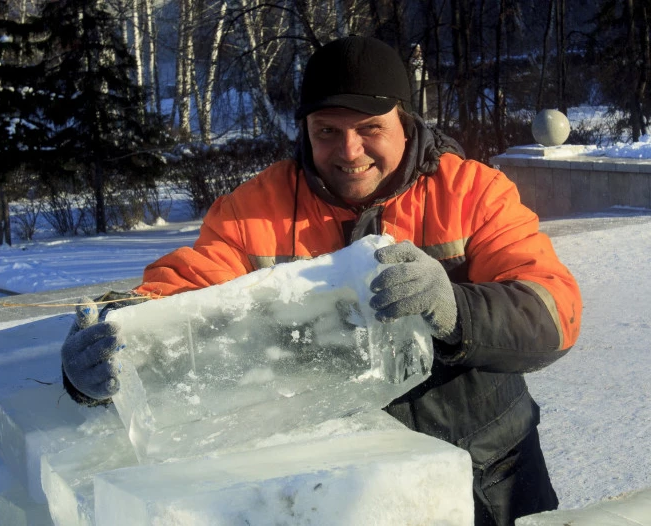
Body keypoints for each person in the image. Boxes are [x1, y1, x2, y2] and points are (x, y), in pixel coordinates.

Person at [61, 35, 582, 525]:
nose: (349, 150)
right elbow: (181, 289)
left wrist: (453, 308)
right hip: (338, 489)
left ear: (405, 121)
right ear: (305, 131)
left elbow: (554, 313)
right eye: (327, 131)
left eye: (369, 128)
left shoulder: (472, 191)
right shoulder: (252, 211)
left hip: (490, 469)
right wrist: (111, 338)